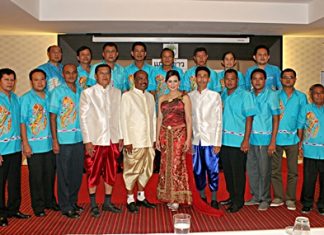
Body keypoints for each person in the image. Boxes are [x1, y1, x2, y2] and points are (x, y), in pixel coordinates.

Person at [80, 64, 123, 218]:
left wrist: (121, 136)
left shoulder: (117, 92)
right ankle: (93, 204)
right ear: (96, 76)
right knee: (93, 172)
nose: (105, 76)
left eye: (107, 73)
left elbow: (119, 116)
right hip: (95, 140)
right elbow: (83, 118)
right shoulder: (88, 93)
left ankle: (107, 202)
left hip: (113, 139)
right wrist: (87, 141)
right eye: (101, 73)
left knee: (111, 171)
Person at [20, 69, 58, 217]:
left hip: (49, 144)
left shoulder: (50, 96)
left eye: (42, 79)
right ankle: (38, 205)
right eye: (36, 80)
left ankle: (50, 201)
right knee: (36, 177)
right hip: (34, 146)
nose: (40, 82)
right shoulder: (26, 99)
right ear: (31, 82)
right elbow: (22, 123)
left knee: (50, 175)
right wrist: (26, 143)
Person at [49, 64, 84, 219]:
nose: (71, 75)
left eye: (73, 72)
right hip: (63, 140)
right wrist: (55, 140)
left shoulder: (82, 91)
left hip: (80, 138)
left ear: (77, 74)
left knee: (76, 173)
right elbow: (52, 117)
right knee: (64, 175)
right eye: (67, 73)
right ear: (63, 75)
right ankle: (65, 206)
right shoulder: (57, 92)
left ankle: (73, 201)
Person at [220, 69, 256, 213]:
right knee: (228, 172)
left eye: (232, 79)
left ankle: (238, 201)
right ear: (224, 80)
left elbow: (249, 118)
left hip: (238, 141)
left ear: (237, 81)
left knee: (238, 172)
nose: (229, 81)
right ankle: (232, 196)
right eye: (227, 79)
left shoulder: (245, 95)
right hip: (223, 140)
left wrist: (246, 140)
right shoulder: (222, 95)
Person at [270, 68, 307, 211]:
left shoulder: (301, 97)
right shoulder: (274, 95)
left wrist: (300, 140)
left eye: (291, 77)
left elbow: (302, 119)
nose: (288, 79)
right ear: (280, 79)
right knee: (275, 170)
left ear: (295, 79)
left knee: (293, 171)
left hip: (293, 138)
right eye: (285, 77)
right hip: (276, 138)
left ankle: (290, 199)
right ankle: (279, 197)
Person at [120, 70, 156, 213]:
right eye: (140, 78)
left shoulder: (150, 97)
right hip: (134, 141)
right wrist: (127, 140)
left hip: (148, 141)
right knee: (131, 171)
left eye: (145, 78)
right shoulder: (127, 96)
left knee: (147, 170)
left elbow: (153, 118)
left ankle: (141, 196)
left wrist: (153, 139)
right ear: (134, 80)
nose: (143, 81)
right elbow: (123, 118)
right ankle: (130, 199)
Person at [156, 70, 192, 211]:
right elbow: (159, 118)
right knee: (165, 164)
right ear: (166, 83)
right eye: (170, 81)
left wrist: (188, 138)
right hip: (165, 134)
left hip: (179, 133)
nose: (172, 84)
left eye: (175, 81)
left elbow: (189, 119)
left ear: (179, 82)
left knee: (177, 164)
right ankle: (168, 195)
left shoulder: (184, 97)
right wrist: (157, 137)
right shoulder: (162, 98)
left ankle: (176, 197)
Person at [245, 69, 280, 211]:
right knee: (252, 169)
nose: (257, 81)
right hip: (251, 139)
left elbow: (276, 119)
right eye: (254, 78)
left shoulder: (271, 95)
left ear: (265, 80)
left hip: (265, 140)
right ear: (251, 81)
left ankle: (265, 198)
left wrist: (273, 141)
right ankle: (255, 196)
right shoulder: (249, 96)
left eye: (260, 79)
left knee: (264, 170)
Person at [0, 68, 30, 227]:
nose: (10, 83)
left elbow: (20, 122)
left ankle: (13, 209)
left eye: (12, 80)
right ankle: (1, 214)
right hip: (1, 150)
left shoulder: (17, 99)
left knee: (14, 182)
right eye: (6, 80)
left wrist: (24, 144)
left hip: (15, 149)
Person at [188, 66, 222, 209]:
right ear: (195, 78)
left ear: (209, 79)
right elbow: (188, 119)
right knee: (198, 170)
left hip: (210, 140)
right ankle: (201, 196)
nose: (201, 79)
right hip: (196, 140)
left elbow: (219, 120)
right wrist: (188, 141)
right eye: (199, 76)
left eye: (204, 76)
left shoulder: (215, 96)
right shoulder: (189, 96)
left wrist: (217, 142)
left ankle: (214, 197)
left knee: (212, 169)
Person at [299, 84, 324, 215]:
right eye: (316, 93)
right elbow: (301, 127)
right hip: (309, 150)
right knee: (309, 179)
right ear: (311, 95)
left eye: (321, 93)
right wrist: (300, 145)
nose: (318, 95)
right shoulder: (306, 109)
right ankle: (307, 204)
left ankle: (322, 204)